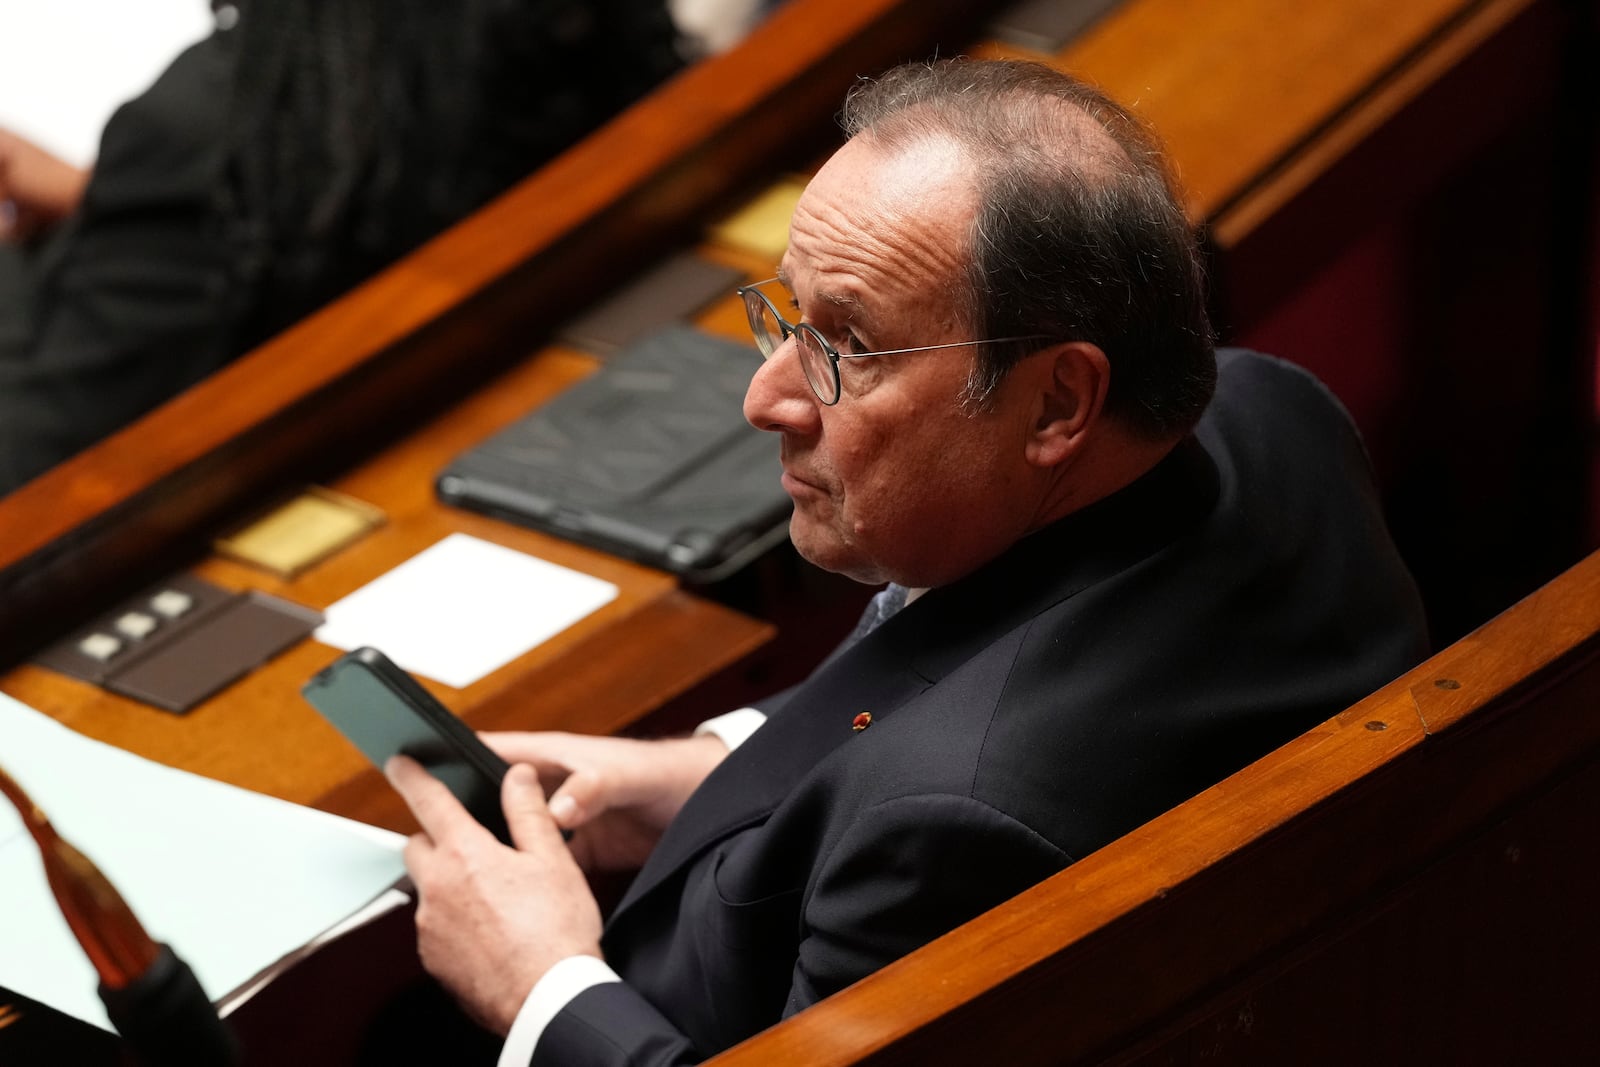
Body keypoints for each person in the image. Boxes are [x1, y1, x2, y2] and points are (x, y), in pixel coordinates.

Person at [386, 58, 1431, 1066]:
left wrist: (542, 987)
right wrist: (705, 772)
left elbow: (948, 780)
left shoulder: (946, 830)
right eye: (790, 315)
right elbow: (959, 651)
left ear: (1058, 403)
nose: (766, 399)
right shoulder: (1272, 412)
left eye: (845, 346)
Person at [0, 0, 686, 495]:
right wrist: (116, 203)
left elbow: (38, 474)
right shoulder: (561, 28)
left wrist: (150, 192)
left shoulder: (226, 131)